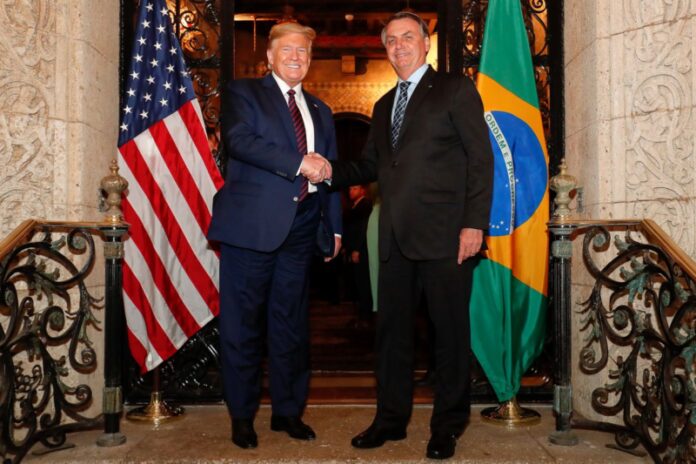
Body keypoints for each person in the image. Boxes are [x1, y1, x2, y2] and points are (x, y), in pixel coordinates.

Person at [315, 11, 494, 460]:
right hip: (393, 238)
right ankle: (390, 420)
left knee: (448, 335)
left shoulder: (455, 89)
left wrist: (474, 224)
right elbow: (372, 166)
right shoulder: (382, 106)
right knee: (391, 334)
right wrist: (328, 171)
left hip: (448, 236)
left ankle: (447, 425)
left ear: (426, 43)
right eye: (391, 40)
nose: (398, 46)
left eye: (407, 37)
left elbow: (480, 160)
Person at [207, 21, 342, 450]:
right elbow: (240, 141)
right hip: (250, 228)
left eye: (304, 51)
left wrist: (334, 225)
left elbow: (331, 171)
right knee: (243, 326)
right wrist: (300, 162)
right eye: (287, 50)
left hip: (302, 228)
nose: (296, 57)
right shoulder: (243, 93)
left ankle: (287, 412)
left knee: (290, 326)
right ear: (269, 56)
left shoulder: (321, 110)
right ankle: (242, 416)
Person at [343, 184, 373, 327]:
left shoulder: (365, 205)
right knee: (357, 283)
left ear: (363, 190)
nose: (351, 191)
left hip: (360, 250)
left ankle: (365, 316)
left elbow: (362, 229)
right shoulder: (355, 205)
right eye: (350, 188)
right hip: (353, 249)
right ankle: (361, 315)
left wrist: (357, 249)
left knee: (363, 283)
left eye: (355, 188)